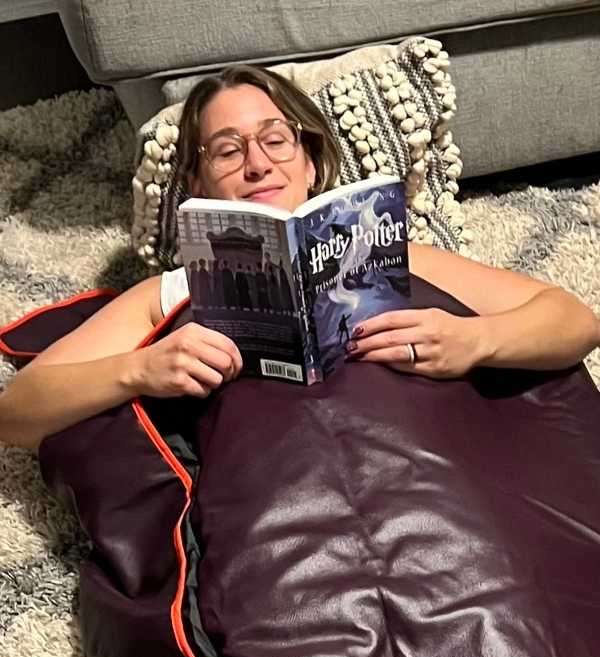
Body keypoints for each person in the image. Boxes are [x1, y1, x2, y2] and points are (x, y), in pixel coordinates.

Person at [0, 65, 597, 451]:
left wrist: (474, 340)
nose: (257, 163)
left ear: (310, 162)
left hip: (422, 464)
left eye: (276, 140)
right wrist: (141, 369)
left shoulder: (398, 252)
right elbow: (17, 412)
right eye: (228, 151)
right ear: (198, 182)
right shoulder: (167, 294)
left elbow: (573, 320)